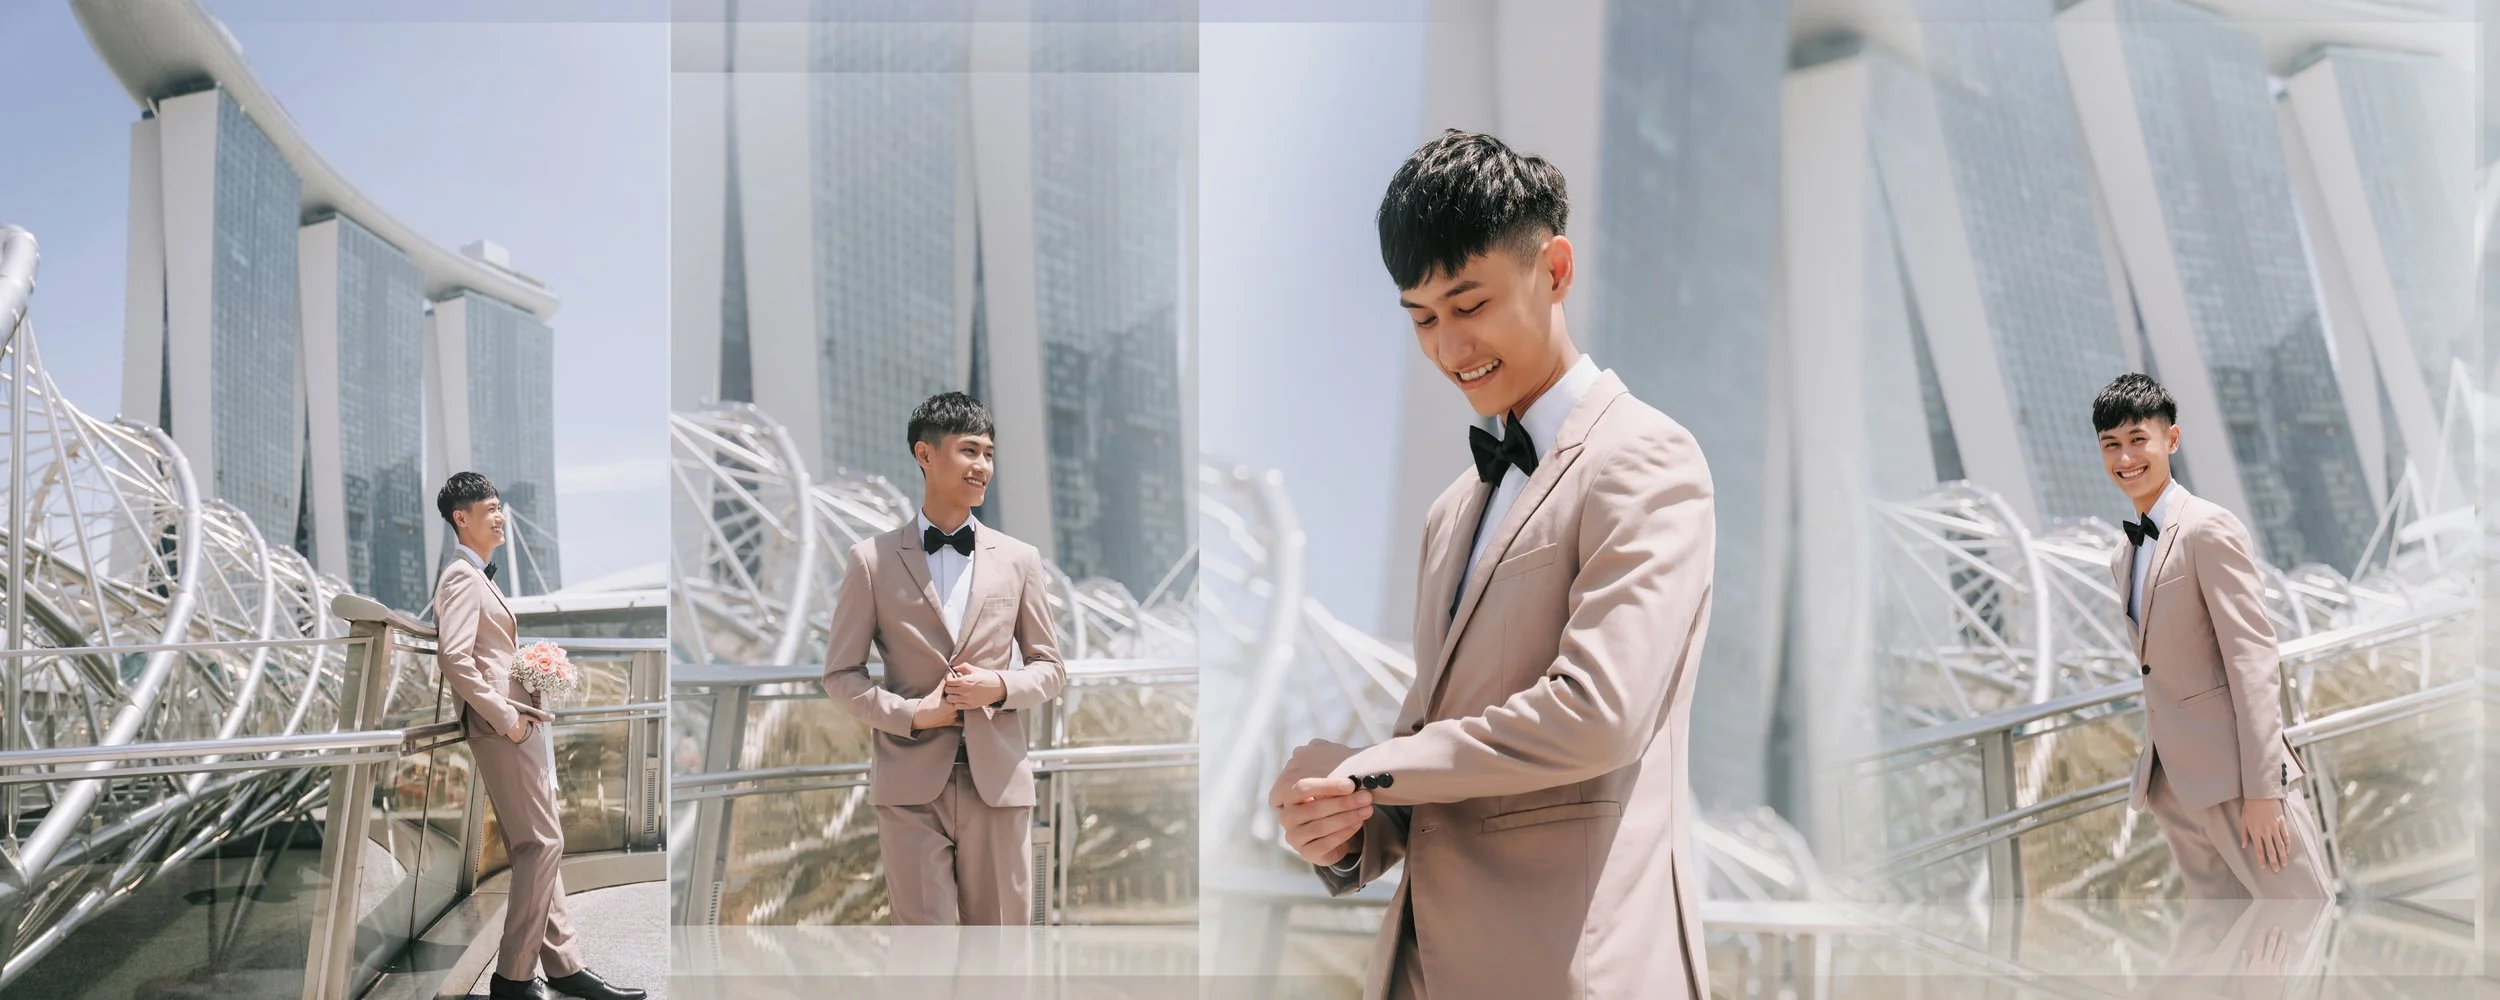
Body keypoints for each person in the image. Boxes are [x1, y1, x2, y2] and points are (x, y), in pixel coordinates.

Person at [1266, 129, 1716, 999]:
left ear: (1553, 272)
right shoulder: (1451, 513)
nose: (1448, 347)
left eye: (1469, 305)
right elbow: (1436, 738)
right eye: (1423, 319)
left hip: (1574, 966)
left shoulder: (1646, 456)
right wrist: (1346, 817)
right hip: (1422, 965)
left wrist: (1374, 766)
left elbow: (1598, 713)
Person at [822, 391, 1068, 925]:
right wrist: (913, 714)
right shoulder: (871, 560)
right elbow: (841, 675)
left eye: (988, 454)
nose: (982, 466)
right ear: (925, 455)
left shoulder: (1021, 559)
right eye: (969, 451)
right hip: (909, 788)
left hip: (998, 786)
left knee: (1000, 952)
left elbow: (1051, 668)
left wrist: (999, 686)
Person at [2092, 373, 2331, 899]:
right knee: (2220, 944)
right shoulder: (2123, 555)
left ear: (2171, 440)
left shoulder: (2208, 528)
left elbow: (2253, 662)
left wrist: (2264, 791)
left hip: (2240, 782)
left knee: (2302, 918)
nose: (2125, 457)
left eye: (2138, 440)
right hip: (2173, 787)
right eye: (2111, 445)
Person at [432, 472, 644, 1000]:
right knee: (541, 844)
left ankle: (565, 966)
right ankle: (513, 978)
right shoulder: (461, 576)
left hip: (516, 727)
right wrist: (506, 716)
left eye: (500, 507)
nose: (500, 516)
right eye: (490, 509)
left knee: (539, 845)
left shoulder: (479, 576)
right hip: (503, 730)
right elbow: (455, 659)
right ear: (462, 518)